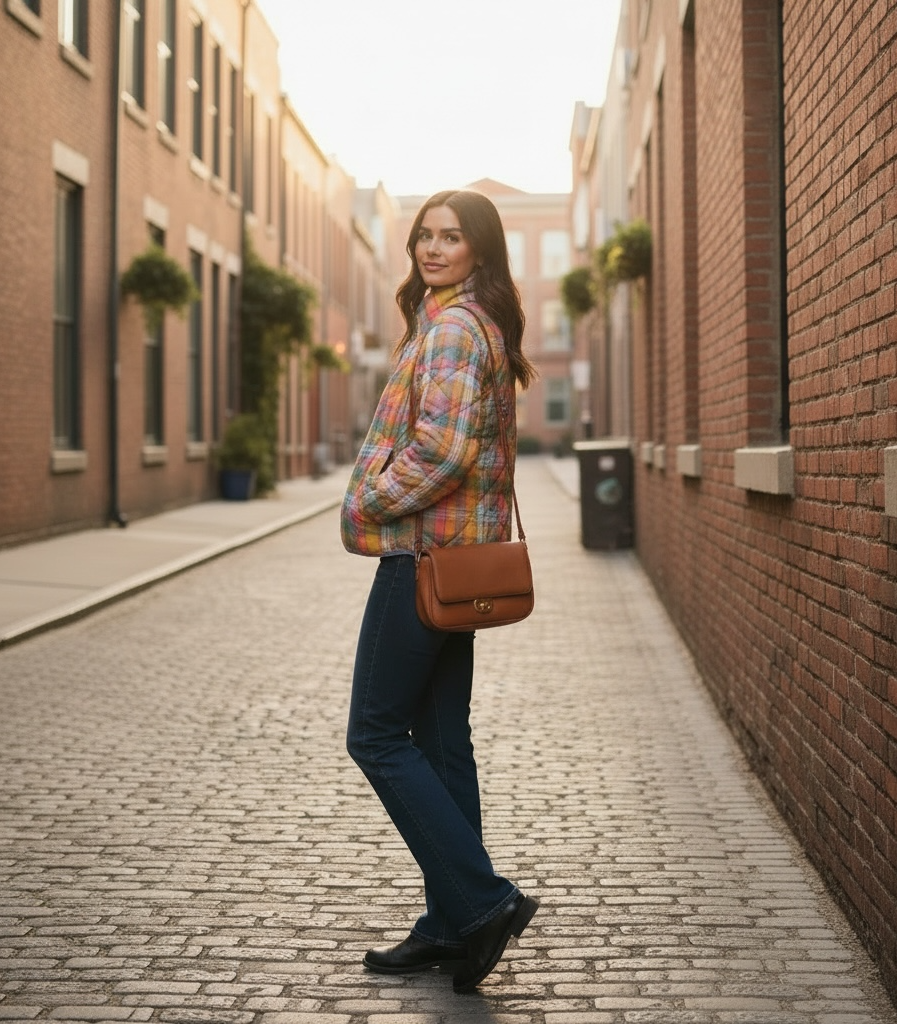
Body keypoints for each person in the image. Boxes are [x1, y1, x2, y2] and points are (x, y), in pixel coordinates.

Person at [340, 189, 539, 993]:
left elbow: (444, 450)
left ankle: (483, 901)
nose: (432, 248)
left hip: (424, 557)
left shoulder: (454, 328)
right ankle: (452, 924)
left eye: (451, 237)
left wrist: (367, 500)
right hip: (456, 563)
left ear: (479, 251)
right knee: (440, 738)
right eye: (425, 234)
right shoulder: (465, 320)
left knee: (376, 736)